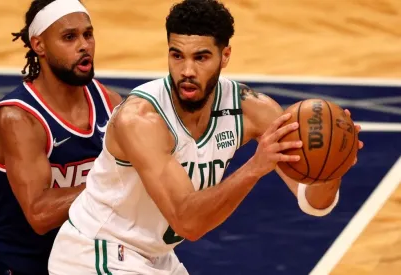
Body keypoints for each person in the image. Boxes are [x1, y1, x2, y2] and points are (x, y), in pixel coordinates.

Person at [48, 0, 364, 274]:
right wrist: (254, 167)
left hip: (155, 257)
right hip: (96, 254)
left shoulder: (250, 109)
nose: (186, 70)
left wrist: (332, 169)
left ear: (224, 56)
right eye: (176, 55)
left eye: (200, 57)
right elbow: (188, 222)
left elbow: (313, 203)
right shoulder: (141, 119)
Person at [0, 0, 122, 274]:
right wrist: (113, 181)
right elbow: (39, 215)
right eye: (69, 37)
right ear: (39, 46)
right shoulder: (18, 119)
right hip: (10, 266)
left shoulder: (108, 102)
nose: (84, 45)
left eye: (88, 34)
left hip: (73, 264)